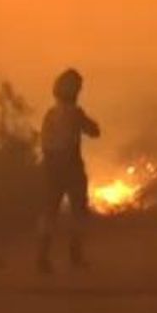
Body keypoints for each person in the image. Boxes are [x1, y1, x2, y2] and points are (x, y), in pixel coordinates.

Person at [37, 68, 100, 274]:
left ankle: (42, 258)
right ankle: (75, 255)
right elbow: (94, 131)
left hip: (51, 167)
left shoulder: (50, 114)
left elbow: (44, 143)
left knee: (49, 212)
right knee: (78, 211)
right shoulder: (75, 113)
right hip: (71, 165)